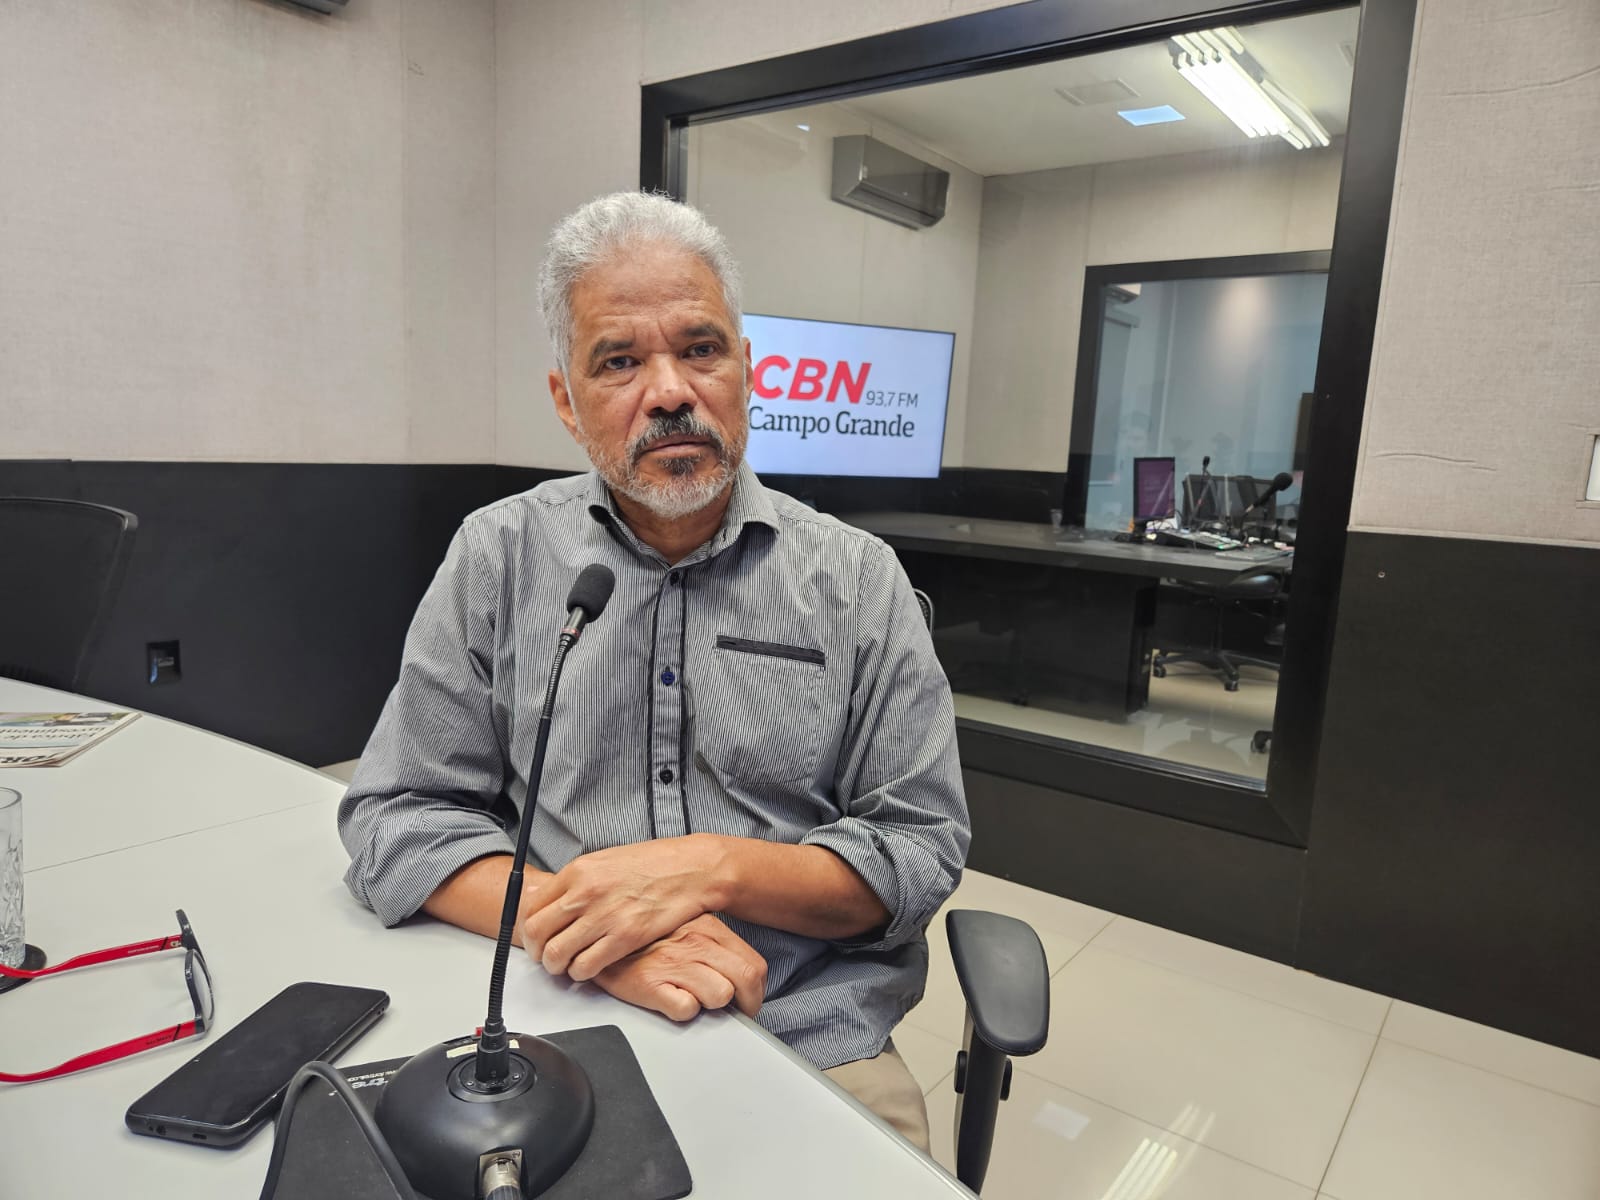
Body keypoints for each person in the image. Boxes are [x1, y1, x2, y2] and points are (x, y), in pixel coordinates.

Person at [337, 190, 969, 1149]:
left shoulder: (854, 578)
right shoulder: (498, 557)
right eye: (620, 361)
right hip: (561, 1008)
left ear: (746, 369)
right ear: (566, 400)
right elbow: (395, 813)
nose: (669, 390)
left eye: (701, 349)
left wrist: (709, 869)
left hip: (807, 1027)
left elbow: (919, 849)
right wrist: (594, 930)